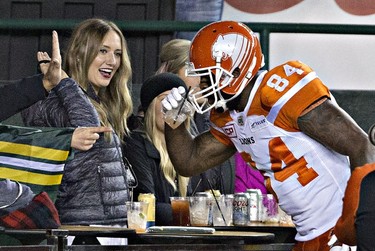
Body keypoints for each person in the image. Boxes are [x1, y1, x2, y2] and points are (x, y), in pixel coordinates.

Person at [161, 20, 375, 251]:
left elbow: (363, 147)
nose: (202, 83)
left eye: (208, 74)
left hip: (339, 234)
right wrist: (174, 124)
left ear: (236, 69)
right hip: (306, 238)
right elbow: (188, 161)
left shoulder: (277, 93)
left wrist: (355, 231)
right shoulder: (229, 117)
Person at [21, 18, 133, 226]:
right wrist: (63, 81)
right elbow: (89, 127)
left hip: (110, 232)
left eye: (117, 54)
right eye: (103, 51)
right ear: (80, 55)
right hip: (75, 234)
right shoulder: (53, 99)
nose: (112, 61)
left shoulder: (101, 102)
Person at [156, 38, 234, 194]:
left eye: (207, 70)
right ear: (171, 73)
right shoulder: (157, 118)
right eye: (195, 71)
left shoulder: (213, 116)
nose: (203, 79)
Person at [123, 73, 191, 225]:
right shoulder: (136, 143)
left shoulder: (185, 150)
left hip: (180, 243)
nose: (172, 105)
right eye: (165, 99)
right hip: (148, 243)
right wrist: (190, 212)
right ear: (151, 108)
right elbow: (147, 205)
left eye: (179, 101)